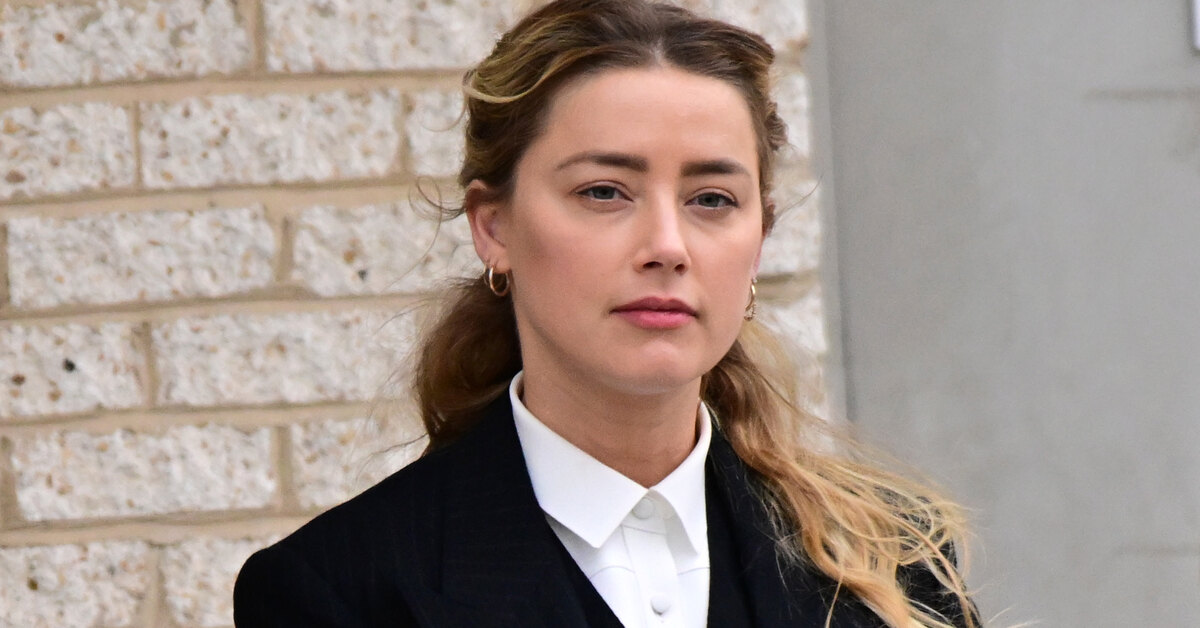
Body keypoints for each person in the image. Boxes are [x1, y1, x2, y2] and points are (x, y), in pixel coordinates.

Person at [233, 1, 980, 626]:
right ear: (494, 227)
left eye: (711, 199)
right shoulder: (342, 592)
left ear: (760, 240)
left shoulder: (893, 558)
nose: (667, 246)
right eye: (604, 192)